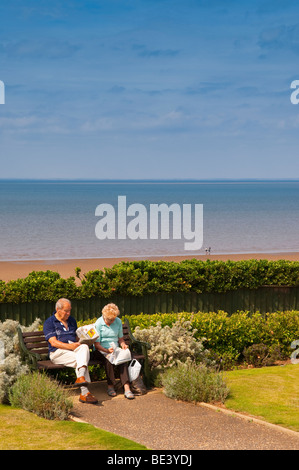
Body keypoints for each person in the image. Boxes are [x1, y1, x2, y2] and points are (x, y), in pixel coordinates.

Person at [43, 298, 98, 405]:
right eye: (66, 311)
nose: (68, 313)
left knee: (85, 348)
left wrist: (88, 338)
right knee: (81, 360)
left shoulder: (71, 320)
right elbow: (53, 343)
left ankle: (81, 379)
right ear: (58, 309)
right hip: (58, 353)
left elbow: (76, 339)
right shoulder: (49, 322)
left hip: (73, 351)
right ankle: (85, 393)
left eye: (69, 311)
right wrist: (70, 346)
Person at [93, 303, 135, 399]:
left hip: (114, 349)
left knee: (123, 359)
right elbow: (97, 345)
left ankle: (127, 388)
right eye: (110, 319)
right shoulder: (98, 323)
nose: (112, 321)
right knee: (108, 360)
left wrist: (123, 345)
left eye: (113, 319)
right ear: (104, 316)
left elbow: (120, 339)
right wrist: (106, 350)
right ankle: (110, 386)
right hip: (101, 350)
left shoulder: (118, 321)